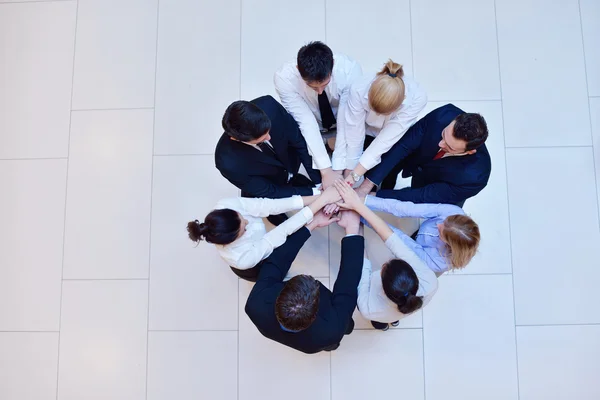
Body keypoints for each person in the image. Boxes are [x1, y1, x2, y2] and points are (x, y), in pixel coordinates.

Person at [245, 209, 364, 353]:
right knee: (344, 323)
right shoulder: (331, 332)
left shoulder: (255, 304)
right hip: (323, 337)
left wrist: (311, 224)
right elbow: (347, 285)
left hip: (311, 338)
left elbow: (276, 262)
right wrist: (352, 231)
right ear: (316, 312)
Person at [333, 180, 438, 331]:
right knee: (392, 316)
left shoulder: (369, 309)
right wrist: (358, 207)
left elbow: (361, 266)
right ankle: (393, 321)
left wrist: (355, 227)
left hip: (380, 314)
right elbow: (391, 238)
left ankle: (382, 325)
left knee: (379, 321)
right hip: (397, 310)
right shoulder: (430, 282)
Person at [186, 187, 341, 282]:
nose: (247, 221)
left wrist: (319, 197)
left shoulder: (225, 205)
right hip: (255, 266)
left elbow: (269, 205)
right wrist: (319, 204)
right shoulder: (241, 258)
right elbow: (280, 234)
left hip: (260, 245)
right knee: (279, 265)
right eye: (243, 228)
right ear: (232, 240)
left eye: (242, 217)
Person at [355, 104, 491, 207]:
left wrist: (373, 197)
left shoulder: (475, 178)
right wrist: (366, 186)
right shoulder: (443, 115)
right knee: (391, 163)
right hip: (417, 157)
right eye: (443, 134)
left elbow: (423, 195)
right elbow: (403, 146)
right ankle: (385, 185)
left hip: (439, 186)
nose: (440, 144)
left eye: (449, 147)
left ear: (469, 152)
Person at [215, 96, 322, 225]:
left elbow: (299, 143)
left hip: (288, 162)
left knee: (297, 180)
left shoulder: (269, 106)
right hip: (266, 184)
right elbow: (271, 191)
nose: (269, 137)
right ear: (236, 139)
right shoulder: (228, 163)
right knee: (274, 207)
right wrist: (316, 193)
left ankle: (294, 180)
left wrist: (318, 183)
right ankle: (275, 214)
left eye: (268, 131)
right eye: (261, 139)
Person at [274, 41, 362, 189]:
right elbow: (305, 121)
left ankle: (332, 144)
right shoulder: (284, 78)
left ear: (332, 64)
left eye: (324, 85)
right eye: (313, 86)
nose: (320, 91)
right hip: (313, 127)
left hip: (342, 123)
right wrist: (326, 171)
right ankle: (327, 145)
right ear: (298, 69)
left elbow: (346, 118)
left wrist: (339, 168)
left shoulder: (350, 69)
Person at [337, 59, 427, 188]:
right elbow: (354, 134)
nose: (378, 116)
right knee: (358, 160)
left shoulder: (417, 98)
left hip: (397, 137)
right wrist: (350, 172)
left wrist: (354, 175)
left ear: (402, 101)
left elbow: (385, 141)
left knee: (390, 168)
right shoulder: (359, 87)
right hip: (366, 129)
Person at [362, 196, 480, 276]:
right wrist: (364, 199)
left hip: (420, 255)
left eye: (441, 232)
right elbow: (407, 209)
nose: (437, 225)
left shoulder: (439, 262)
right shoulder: (453, 211)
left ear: (448, 244)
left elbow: (398, 238)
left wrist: (362, 214)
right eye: (443, 222)